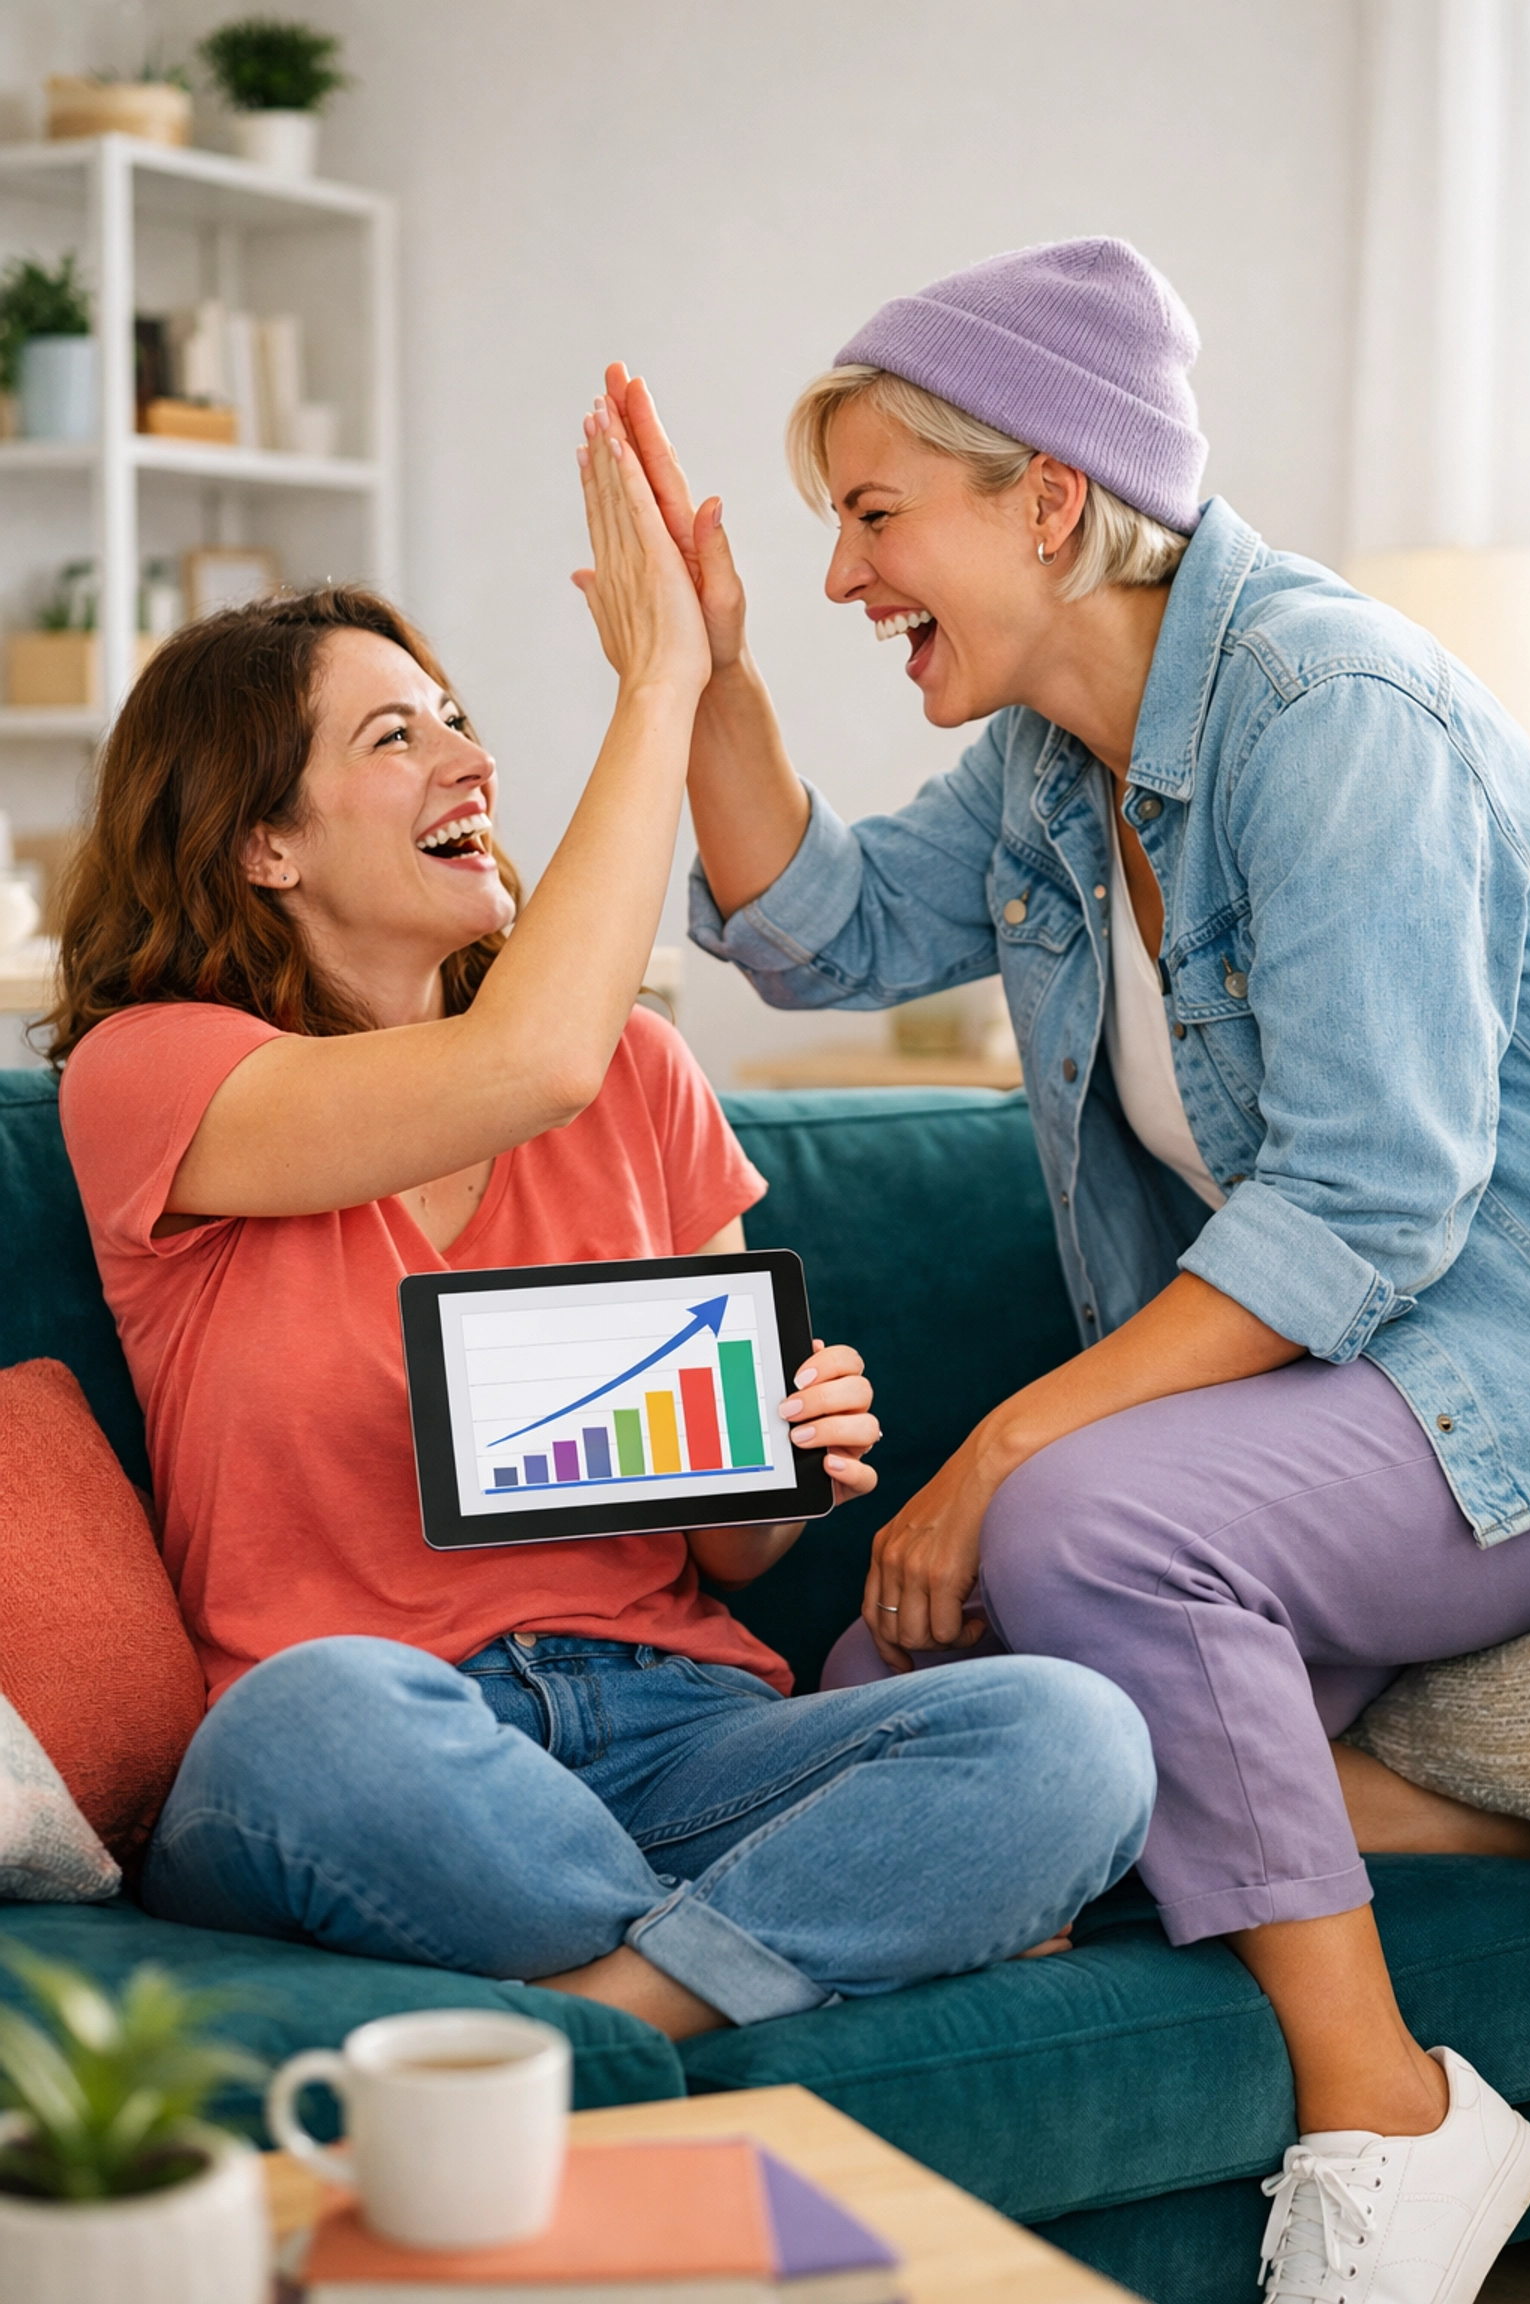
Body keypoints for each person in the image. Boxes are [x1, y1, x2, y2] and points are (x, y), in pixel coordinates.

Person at [608, 237, 1530, 2295]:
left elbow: (1380, 1207)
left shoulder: (1333, 710)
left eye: (872, 514)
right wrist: (704, 674)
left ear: (1046, 494)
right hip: (1309, 1410)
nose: (849, 573)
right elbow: (818, 932)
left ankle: (1394, 2108)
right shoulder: (1055, 754)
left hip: (1487, 1385)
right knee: (904, 1700)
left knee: (1086, 1526)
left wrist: (1006, 1449)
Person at [48, 394, 1153, 2045]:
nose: (469, 759)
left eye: (457, 717)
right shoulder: (160, 1079)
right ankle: (796, 1945)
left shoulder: (641, 1075)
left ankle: (619, 2008)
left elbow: (731, 1555)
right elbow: (523, 1057)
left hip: (675, 1733)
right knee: (312, 1721)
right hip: (387, 1743)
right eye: (395, 740)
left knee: (1071, 1740)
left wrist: (778, 1450)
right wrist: (666, 678)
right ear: (262, 842)